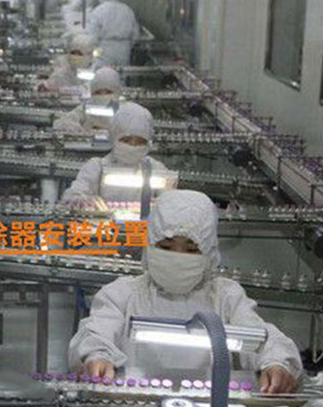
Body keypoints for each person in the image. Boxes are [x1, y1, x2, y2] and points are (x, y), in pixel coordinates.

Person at [68, 190, 302, 394]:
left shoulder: (226, 297)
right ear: (150, 245)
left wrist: (276, 363)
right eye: (166, 246)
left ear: (209, 253)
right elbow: (98, 331)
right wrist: (97, 356)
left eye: (191, 250)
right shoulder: (122, 294)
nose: (177, 257)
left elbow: (260, 337)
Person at [61, 90, 167, 202]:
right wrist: (82, 201)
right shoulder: (96, 168)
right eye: (126, 140)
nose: (132, 147)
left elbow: (169, 200)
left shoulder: (156, 170)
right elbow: (75, 194)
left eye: (140, 141)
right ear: (114, 137)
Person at [87, 0, 139, 66]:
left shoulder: (98, 11)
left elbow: (93, 38)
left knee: (102, 72)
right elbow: (135, 35)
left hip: (104, 50)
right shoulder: (127, 10)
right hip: (124, 50)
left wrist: (95, 55)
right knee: (122, 72)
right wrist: (127, 46)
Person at [52, 66, 119, 133]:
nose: (103, 96)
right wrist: (81, 129)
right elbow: (61, 123)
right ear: (92, 92)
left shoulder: (121, 110)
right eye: (98, 92)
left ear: (116, 92)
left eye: (108, 92)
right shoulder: (85, 108)